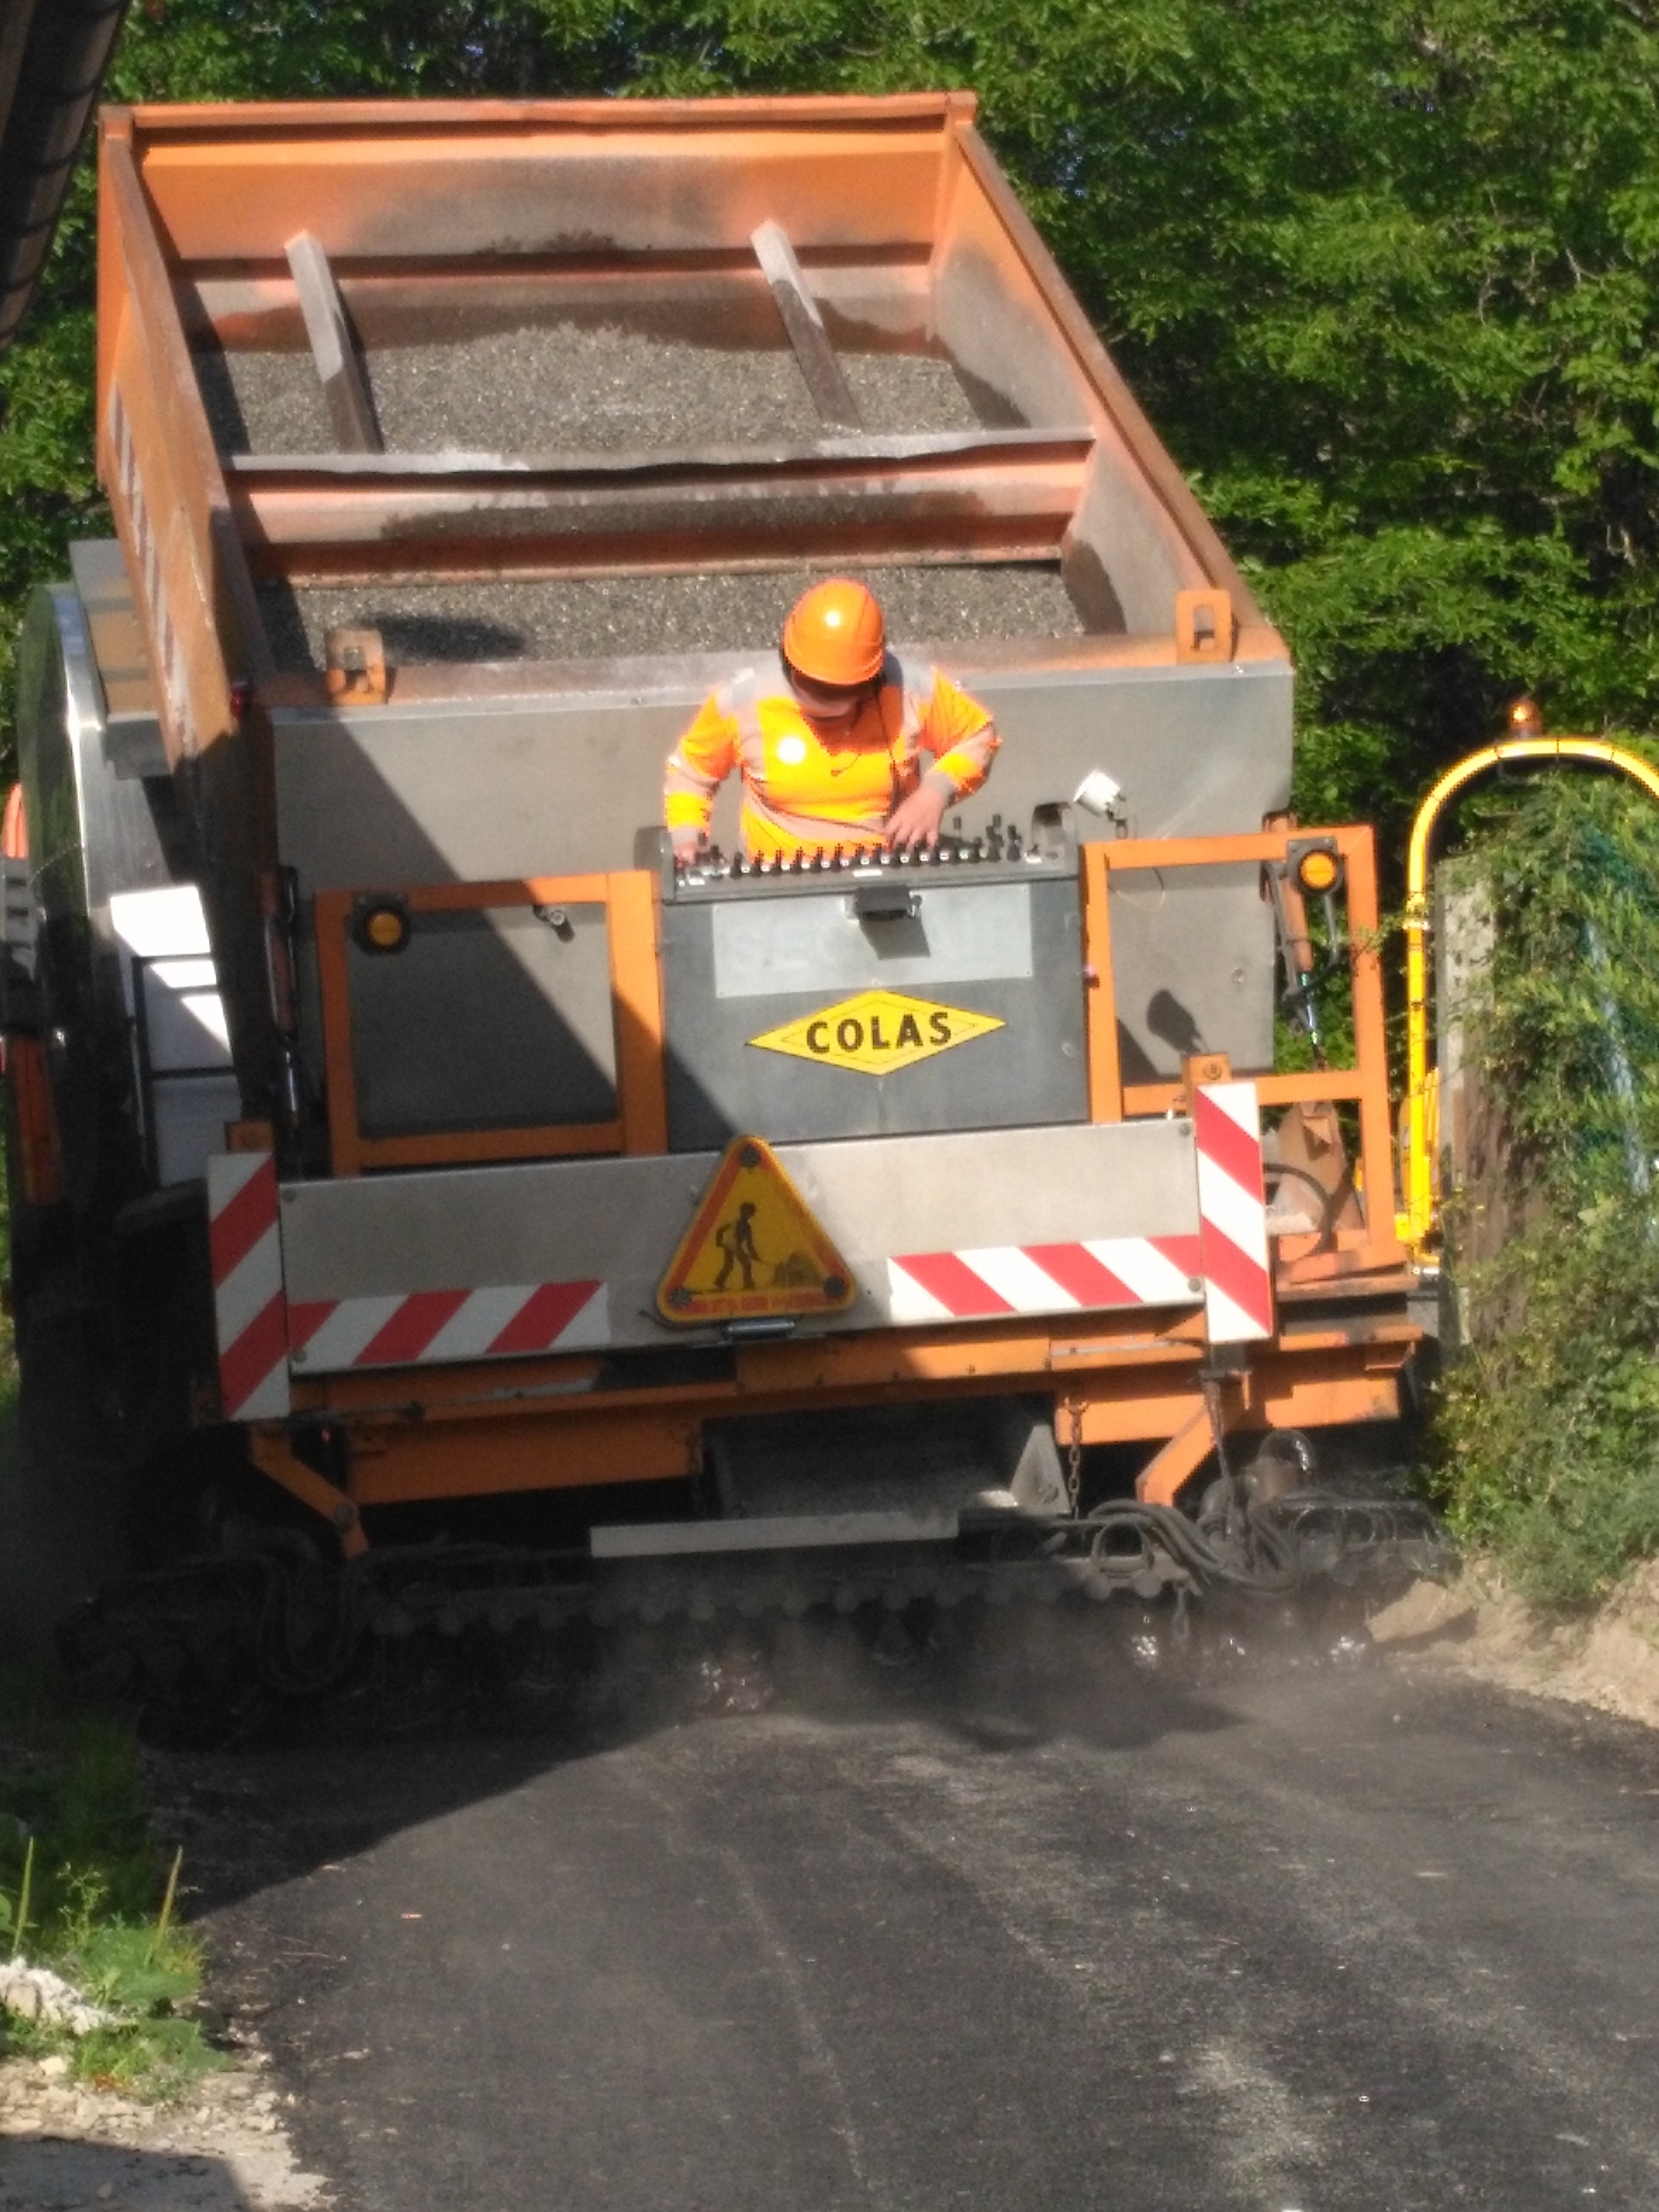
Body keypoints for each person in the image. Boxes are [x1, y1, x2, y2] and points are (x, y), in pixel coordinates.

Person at [663, 580, 1000, 861]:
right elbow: (692, 774)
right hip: (776, 883)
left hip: (889, 875)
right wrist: (687, 838)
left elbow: (977, 736)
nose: (825, 701)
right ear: (788, 662)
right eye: (811, 686)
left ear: (873, 680)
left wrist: (935, 793)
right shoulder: (743, 701)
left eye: (842, 691)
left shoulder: (909, 689)